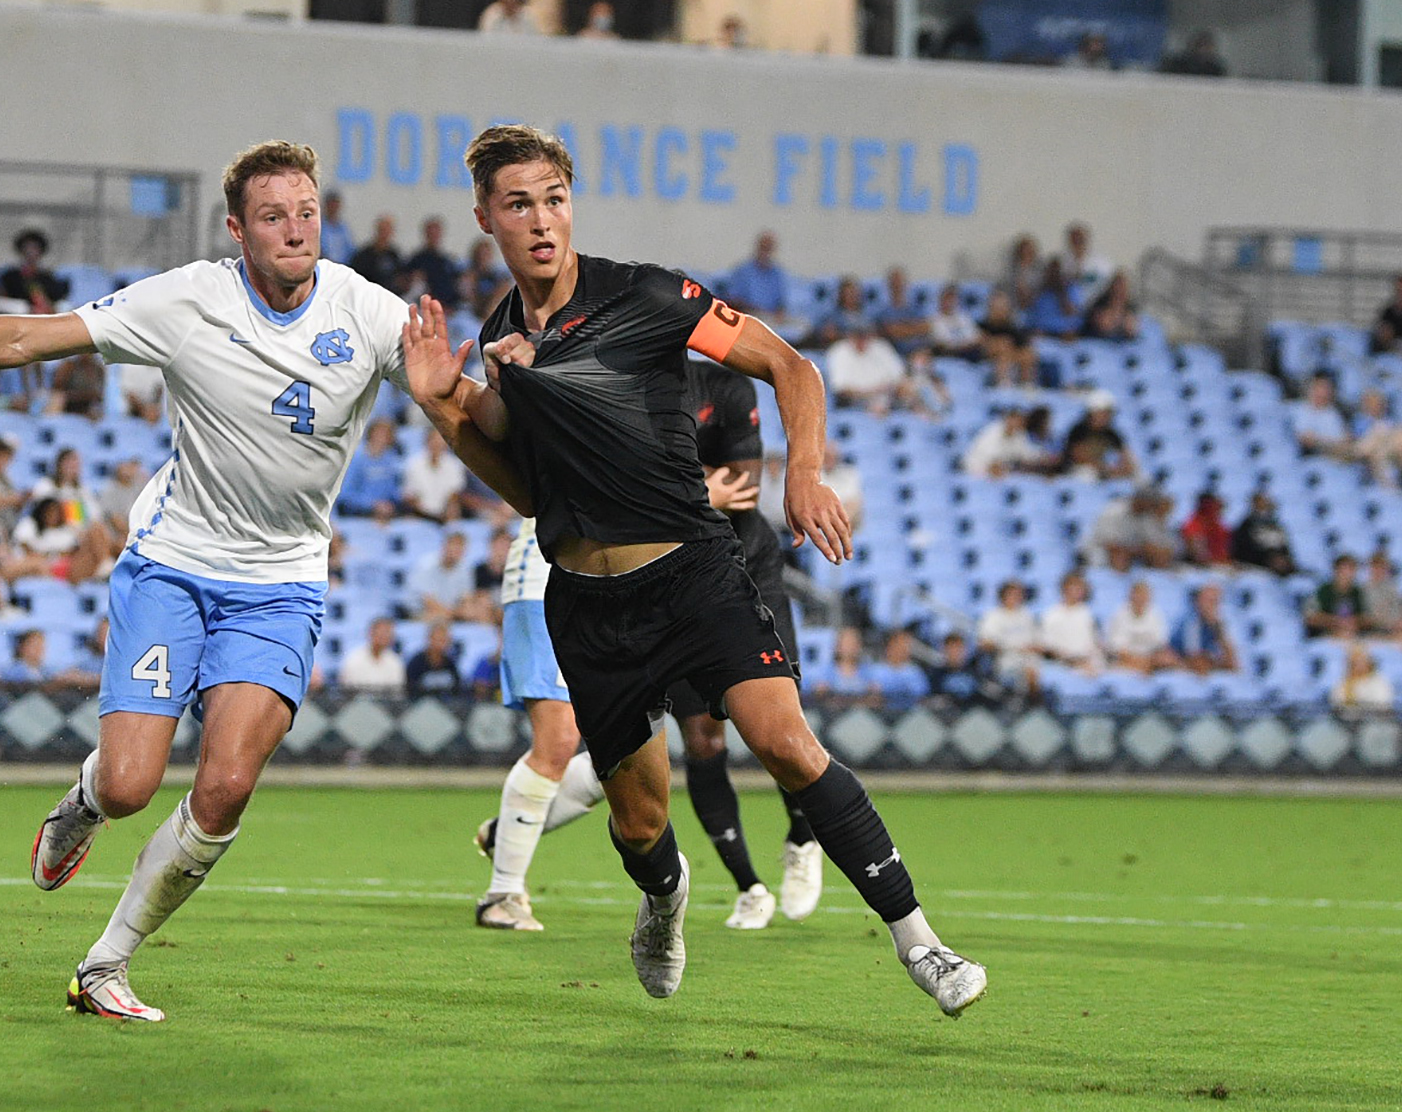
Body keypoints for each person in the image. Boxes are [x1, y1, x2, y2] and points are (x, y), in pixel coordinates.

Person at [0, 140, 525, 1022]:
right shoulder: (189, 299)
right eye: (274, 215)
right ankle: (89, 798)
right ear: (237, 229)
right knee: (133, 783)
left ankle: (106, 963)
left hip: (282, 584)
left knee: (225, 786)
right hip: (173, 565)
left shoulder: (368, 312)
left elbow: (462, 412)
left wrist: (502, 394)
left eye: (308, 210)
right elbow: (26, 337)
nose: (296, 229)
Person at [421, 124, 983, 1014]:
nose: (541, 220)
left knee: (787, 743)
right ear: (484, 216)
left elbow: (788, 364)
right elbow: (528, 493)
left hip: (693, 571)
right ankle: (664, 897)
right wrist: (445, 408)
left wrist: (803, 472)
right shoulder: (498, 336)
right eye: (518, 203)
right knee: (640, 820)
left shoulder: (644, 294)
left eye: (554, 199)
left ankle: (921, 941)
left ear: (573, 205)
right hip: (587, 602)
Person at [476, 358, 830, 934]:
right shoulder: (599, 387)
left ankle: (512, 837)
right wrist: (694, 491)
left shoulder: (701, 389)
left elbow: (732, 487)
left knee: (643, 749)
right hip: (568, 571)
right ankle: (504, 890)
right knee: (583, 740)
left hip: (658, 575)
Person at [1086, 486, 1177, 570]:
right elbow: (1109, 543)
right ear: (1138, 500)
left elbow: (1156, 541)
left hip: (1130, 553)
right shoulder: (1114, 511)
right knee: (1103, 557)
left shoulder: (1146, 515)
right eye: (1148, 503)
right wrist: (1138, 550)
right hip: (1101, 549)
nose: (1149, 507)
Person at [402, 530, 477, 622]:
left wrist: (467, 612)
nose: (456, 550)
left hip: (451, 612)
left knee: (478, 614)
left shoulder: (465, 568)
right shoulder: (426, 565)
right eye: (453, 545)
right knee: (439, 620)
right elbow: (429, 602)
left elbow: (466, 597)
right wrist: (456, 615)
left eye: (460, 547)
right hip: (419, 612)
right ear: (444, 546)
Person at [336, 418, 404, 518]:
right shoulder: (356, 459)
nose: (382, 439)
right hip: (359, 514)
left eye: (387, 435)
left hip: (388, 514)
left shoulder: (390, 460)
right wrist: (372, 505)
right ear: (370, 435)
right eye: (379, 434)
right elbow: (344, 495)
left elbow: (393, 491)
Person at [1039, 571, 1104, 674]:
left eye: (1081, 587)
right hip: (1062, 664)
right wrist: (1073, 661)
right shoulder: (1051, 615)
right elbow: (1049, 647)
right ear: (1064, 588)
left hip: (1089, 663)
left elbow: (1095, 644)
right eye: (1074, 586)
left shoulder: (1088, 614)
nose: (1079, 590)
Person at [1061, 390, 1136, 479]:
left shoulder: (1111, 433)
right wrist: (1105, 468)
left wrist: (1125, 467)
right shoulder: (1079, 430)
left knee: (1136, 474)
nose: (1108, 417)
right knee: (1086, 474)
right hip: (1076, 470)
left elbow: (1125, 455)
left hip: (1102, 469)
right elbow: (1078, 457)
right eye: (1104, 413)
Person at [718, 232, 787, 325]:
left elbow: (781, 302)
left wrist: (780, 314)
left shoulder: (777, 274)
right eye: (763, 248)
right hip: (749, 316)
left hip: (772, 317)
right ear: (757, 248)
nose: (765, 253)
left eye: (768, 249)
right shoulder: (743, 271)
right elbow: (733, 300)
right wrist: (754, 310)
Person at [1106, 581, 1175, 673]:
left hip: (1150, 660)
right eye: (1138, 594)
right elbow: (1117, 649)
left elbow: (1161, 644)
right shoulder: (1119, 615)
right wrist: (1140, 662)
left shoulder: (1156, 614)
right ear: (1130, 596)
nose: (1141, 598)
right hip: (1125, 659)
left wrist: (1149, 661)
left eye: (1144, 594)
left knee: (1169, 660)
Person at [402, 428, 468, 522]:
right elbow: (409, 494)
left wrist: (446, 511)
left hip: (445, 513)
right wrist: (423, 512)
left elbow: (455, 493)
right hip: (419, 512)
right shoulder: (413, 463)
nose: (437, 444)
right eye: (434, 440)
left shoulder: (455, 465)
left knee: (455, 512)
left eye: (441, 440)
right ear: (427, 441)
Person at [0, 229, 69, 315]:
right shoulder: (10, 275)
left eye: (34, 248)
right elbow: (3, 296)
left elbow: (55, 297)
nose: (30, 252)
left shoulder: (47, 276)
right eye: (27, 247)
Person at [1170, 584, 1238, 674]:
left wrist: (1218, 630)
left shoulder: (1219, 622)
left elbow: (1231, 656)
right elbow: (1194, 656)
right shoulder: (1191, 621)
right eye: (1209, 601)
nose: (1212, 606)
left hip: (1205, 661)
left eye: (1215, 602)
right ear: (1198, 602)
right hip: (1181, 660)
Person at [962, 407, 1043, 478]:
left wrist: (1042, 457)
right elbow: (988, 458)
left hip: (1003, 471)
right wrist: (995, 466)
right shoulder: (992, 431)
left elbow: (1026, 454)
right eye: (1015, 420)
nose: (1017, 424)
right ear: (1008, 419)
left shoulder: (1019, 435)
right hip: (977, 469)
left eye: (1020, 421)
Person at [1290, 374, 1354, 461]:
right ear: (1311, 389)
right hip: (1308, 456)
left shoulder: (1333, 413)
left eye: (1327, 389)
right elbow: (1305, 439)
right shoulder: (1297, 409)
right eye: (1319, 388)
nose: (1323, 392)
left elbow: (1346, 440)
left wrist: (1320, 440)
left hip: (1335, 456)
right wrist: (1327, 443)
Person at [1230, 491, 1294, 575]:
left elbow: (1284, 545)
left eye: (1265, 503)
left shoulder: (1276, 525)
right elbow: (1243, 548)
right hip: (1258, 563)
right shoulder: (1247, 525)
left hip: (1277, 559)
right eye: (1260, 503)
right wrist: (1268, 558)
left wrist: (1281, 557)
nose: (1263, 506)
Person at [339, 616, 406, 694]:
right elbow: (348, 690)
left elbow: (397, 693)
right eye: (381, 632)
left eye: (388, 633)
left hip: (387, 704)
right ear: (370, 633)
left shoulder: (395, 661)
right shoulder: (354, 659)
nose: (385, 636)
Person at [404, 217, 462, 308]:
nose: (434, 236)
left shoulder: (447, 261)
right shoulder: (416, 260)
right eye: (431, 233)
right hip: (426, 307)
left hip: (450, 308)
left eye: (436, 233)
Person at [1305, 554, 1364, 638]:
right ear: (1336, 570)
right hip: (1326, 635)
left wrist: (1354, 622)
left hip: (1352, 635)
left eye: (1351, 569)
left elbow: (1367, 617)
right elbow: (1310, 617)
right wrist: (1335, 621)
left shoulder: (1357, 592)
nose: (1348, 573)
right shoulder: (1323, 590)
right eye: (1345, 569)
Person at [864, 629, 929, 704]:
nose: (903, 648)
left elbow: (921, 697)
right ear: (889, 646)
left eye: (906, 645)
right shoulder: (875, 671)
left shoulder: (915, 672)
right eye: (899, 644)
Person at [405, 622, 464, 697]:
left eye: (445, 640)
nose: (442, 644)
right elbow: (409, 690)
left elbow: (457, 690)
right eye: (439, 640)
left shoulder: (450, 664)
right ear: (429, 639)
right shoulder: (416, 663)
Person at [1330, 643, 1394, 712]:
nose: (1359, 665)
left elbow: (1383, 704)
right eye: (1355, 662)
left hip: (1373, 718)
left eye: (1362, 662)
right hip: (1346, 718)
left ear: (1369, 663)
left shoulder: (1379, 682)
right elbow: (1336, 701)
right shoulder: (1344, 683)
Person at [348, 215, 404, 292]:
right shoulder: (363, 256)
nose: (385, 234)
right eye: (382, 230)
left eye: (387, 231)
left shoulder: (394, 255)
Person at [1059, 222, 1114, 301]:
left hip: (1095, 306)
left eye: (1080, 239)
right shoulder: (1061, 263)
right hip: (1069, 307)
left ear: (1087, 239)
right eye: (1074, 239)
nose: (1077, 243)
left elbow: (1109, 284)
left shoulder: (1102, 262)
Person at [928, 284, 983, 361]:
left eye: (952, 299)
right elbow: (941, 343)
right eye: (947, 298)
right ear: (940, 300)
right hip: (947, 354)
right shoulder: (934, 319)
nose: (949, 302)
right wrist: (960, 345)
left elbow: (977, 338)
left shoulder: (964, 318)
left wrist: (963, 345)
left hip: (969, 353)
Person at [1360, 552, 1402, 637]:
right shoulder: (1362, 589)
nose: (1378, 570)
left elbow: (1399, 612)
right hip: (1368, 630)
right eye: (1375, 567)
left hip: (1392, 630)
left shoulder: (1393, 589)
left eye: (1381, 567)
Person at [1181, 492, 1232, 567]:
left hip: (1220, 563)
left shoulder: (1218, 525)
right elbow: (1196, 552)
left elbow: (1226, 548)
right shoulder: (1193, 524)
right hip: (1201, 566)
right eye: (1212, 506)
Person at [1160, 30, 1227, 77]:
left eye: (1208, 47)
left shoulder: (1216, 69)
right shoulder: (1178, 64)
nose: (1204, 50)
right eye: (1201, 45)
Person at [319, 191, 355, 268]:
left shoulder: (343, 228)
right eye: (331, 204)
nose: (333, 207)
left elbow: (350, 250)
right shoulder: (319, 227)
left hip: (343, 268)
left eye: (335, 204)